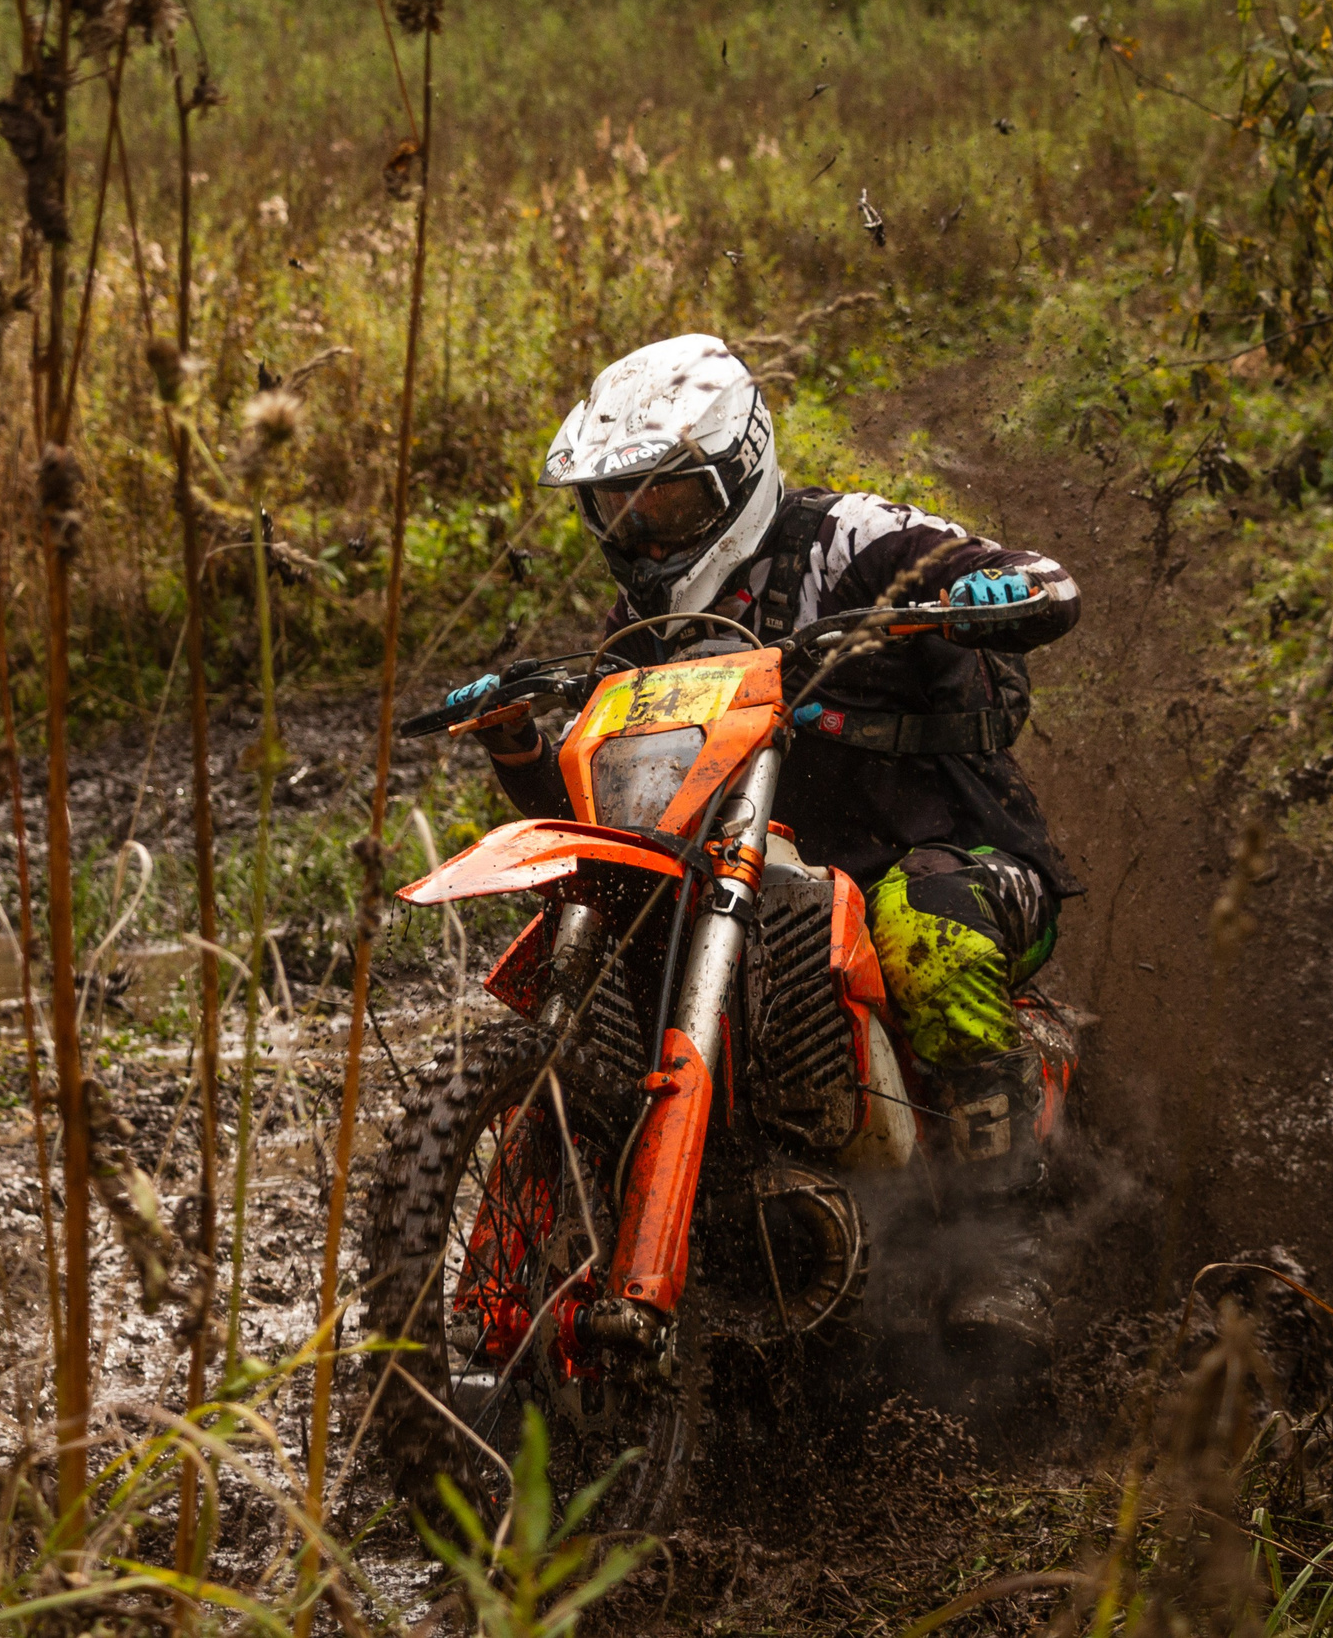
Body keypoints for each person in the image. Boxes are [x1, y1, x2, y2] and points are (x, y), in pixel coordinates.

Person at [452, 332, 1083, 1343]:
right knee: (616, 942)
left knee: (926, 924)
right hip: (743, 882)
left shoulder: (851, 536)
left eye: (663, 502)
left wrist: (997, 589)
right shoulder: (644, 623)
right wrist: (521, 744)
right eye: (617, 507)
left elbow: (1031, 576)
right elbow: (596, 811)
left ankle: (998, 1240)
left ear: (736, 473)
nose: (640, 531)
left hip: (949, 856)